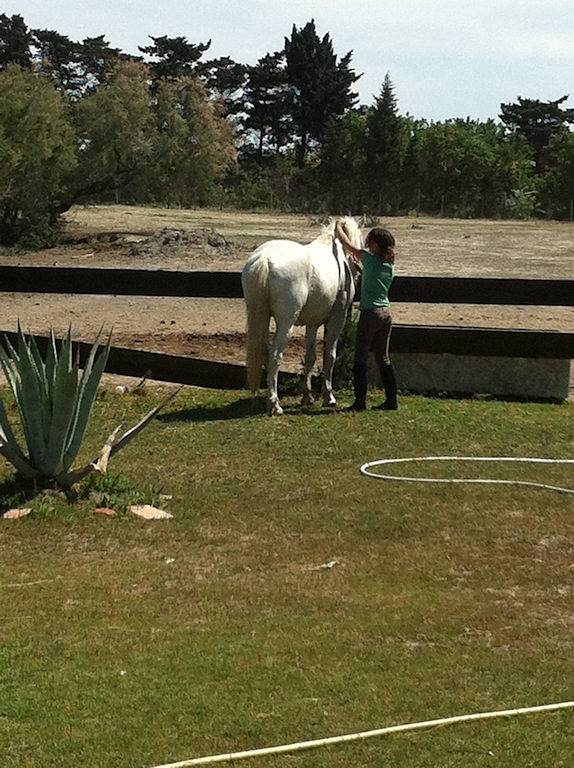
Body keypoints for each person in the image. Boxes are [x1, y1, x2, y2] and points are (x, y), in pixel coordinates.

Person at [335, 221, 398, 411]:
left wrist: (338, 226)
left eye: (370, 243)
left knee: (360, 357)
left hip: (370, 314)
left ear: (376, 245)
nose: (367, 246)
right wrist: (362, 270)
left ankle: (359, 402)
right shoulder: (388, 265)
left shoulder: (369, 258)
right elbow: (375, 281)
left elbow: (347, 244)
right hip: (386, 315)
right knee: (383, 358)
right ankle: (392, 400)